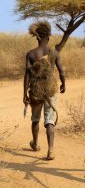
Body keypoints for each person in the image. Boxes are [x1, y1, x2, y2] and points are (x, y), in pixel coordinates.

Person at [23, 21, 66, 160]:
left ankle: (35, 144)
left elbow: (27, 75)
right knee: (49, 121)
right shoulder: (54, 53)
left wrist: (24, 93)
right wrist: (63, 84)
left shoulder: (30, 54)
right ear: (48, 37)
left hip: (35, 90)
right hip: (50, 90)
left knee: (35, 119)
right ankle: (51, 151)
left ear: (37, 37)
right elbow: (61, 72)